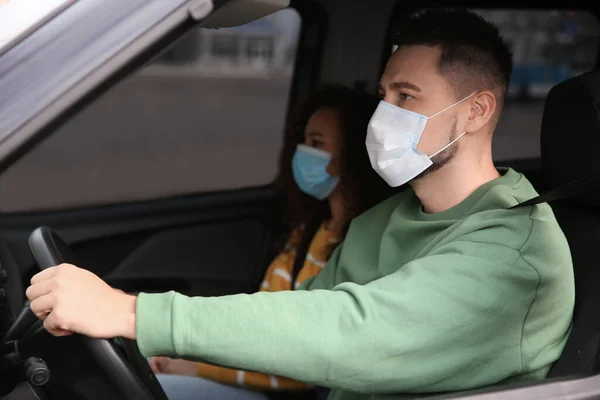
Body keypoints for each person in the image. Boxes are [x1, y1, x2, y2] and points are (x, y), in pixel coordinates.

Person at [25, 8, 575, 400]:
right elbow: (299, 316)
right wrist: (179, 356)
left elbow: (350, 331)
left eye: (407, 97)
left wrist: (131, 312)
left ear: (477, 110)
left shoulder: (515, 251)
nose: (384, 115)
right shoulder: (390, 218)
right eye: (384, 95)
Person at [146, 84, 395, 400]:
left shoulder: (360, 248)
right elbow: (263, 326)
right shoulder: (310, 230)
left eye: (317, 143)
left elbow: (304, 363)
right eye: (304, 142)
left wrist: (196, 367)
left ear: (353, 155)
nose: (303, 152)